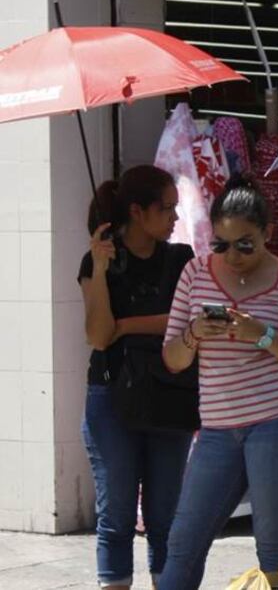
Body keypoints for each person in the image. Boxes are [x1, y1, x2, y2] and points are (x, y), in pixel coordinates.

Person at [157, 174, 278, 590]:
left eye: (245, 244)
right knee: (183, 542)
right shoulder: (194, 273)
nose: (232, 255)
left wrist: (264, 336)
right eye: (220, 244)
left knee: (272, 546)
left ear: (268, 233)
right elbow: (173, 359)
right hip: (218, 429)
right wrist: (195, 333)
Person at [79, 165, 195, 590]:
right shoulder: (101, 261)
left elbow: (184, 322)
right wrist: (99, 270)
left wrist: (127, 326)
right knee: (117, 516)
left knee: (165, 515)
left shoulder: (182, 259)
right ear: (137, 211)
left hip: (170, 392)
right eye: (166, 209)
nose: (174, 219)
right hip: (112, 395)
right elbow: (97, 334)